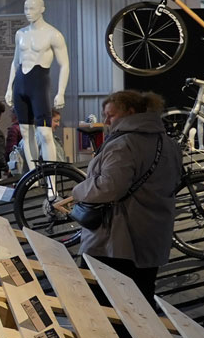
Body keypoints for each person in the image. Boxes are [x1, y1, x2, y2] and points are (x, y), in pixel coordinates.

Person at [65, 90, 179, 296]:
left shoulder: (123, 144)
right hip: (153, 237)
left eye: (111, 115)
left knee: (103, 301)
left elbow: (109, 187)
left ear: (131, 112)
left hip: (116, 240)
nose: (106, 121)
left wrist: (78, 190)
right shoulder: (168, 143)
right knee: (141, 299)